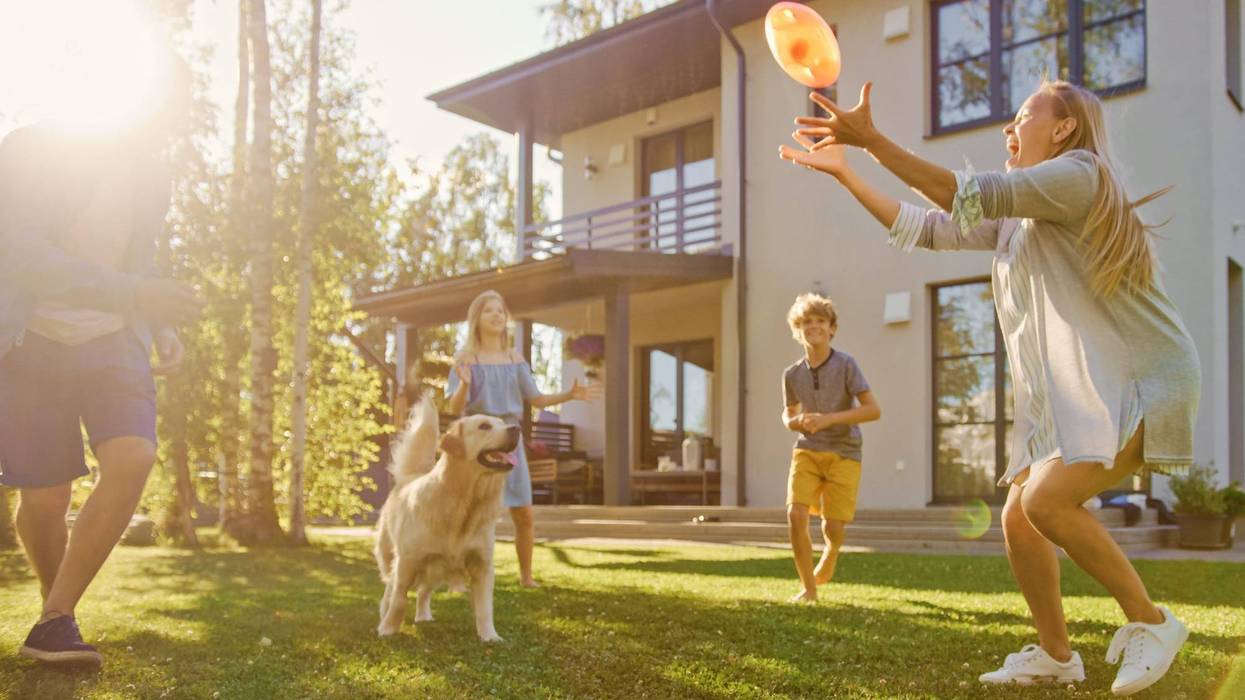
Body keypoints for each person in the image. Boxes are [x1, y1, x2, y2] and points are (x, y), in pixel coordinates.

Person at [779, 78, 1199, 695]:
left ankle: (1153, 622)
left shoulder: (1080, 174)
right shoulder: (1020, 220)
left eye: (1024, 115)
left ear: (1064, 128)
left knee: (1045, 503)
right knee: (1020, 518)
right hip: (1086, 393)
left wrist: (872, 141)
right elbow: (928, 227)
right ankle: (1056, 655)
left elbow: (964, 192)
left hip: (1143, 377)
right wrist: (847, 172)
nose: (1009, 127)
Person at [0, 66, 201, 667]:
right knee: (45, 497)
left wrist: (159, 324)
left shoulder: (151, 175)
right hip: (30, 341)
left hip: (114, 341)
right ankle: (54, 614)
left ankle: (55, 617)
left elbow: (142, 256)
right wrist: (134, 293)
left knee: (134, 455)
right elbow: (20, 254)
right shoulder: (29, 151)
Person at [447, 290, 598, 588]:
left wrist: (569, 394)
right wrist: (464, 385)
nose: (496, 315)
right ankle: (460, 575)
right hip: (480, 441)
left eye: (500, 310)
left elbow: (537, 399)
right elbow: (454, 408)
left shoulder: (515, 359)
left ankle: (526, 577)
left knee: (524, 514)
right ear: (477, 318)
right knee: (471, 514)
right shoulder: (466, 360)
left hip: (510, 439)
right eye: (489, 310)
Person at [781, 293, 880, 603]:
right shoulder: (791, 374)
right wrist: (794, 422)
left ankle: (832, 550)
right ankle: (808, 589)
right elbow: (788, 413)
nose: (814, 326)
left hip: (844, 452)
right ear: (797, 330)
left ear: (832, 328)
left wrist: (828, 419)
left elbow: (873, 410)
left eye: (821, 321)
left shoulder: (846, 364)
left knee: (833, 527)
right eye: (807, 322)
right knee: (796, 514)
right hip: (807, 449)